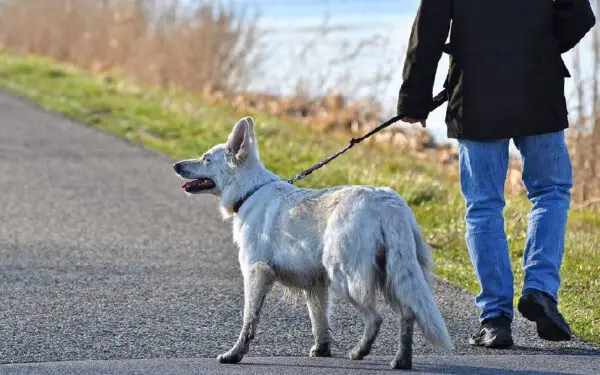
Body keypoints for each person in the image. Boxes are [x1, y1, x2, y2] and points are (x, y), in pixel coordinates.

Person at [397, 0, 595, 348]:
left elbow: (428, 29)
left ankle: (495, 319)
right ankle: (540, 290)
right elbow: (579, 16)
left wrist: (414, 99)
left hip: (476, 95)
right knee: (551, 192)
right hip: (539, 88)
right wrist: (538, 47)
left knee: (484, 205)